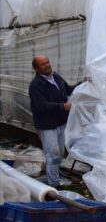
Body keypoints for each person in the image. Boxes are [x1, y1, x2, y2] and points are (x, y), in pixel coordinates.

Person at [28, 55, 76, 188]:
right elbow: (41, 106)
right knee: (52, 154)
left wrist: (83, 83)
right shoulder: (36, 85)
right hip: (47, 125)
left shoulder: (56, 77)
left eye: (47, 62)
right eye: (43, 64)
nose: (47, 65)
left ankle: (54, 176)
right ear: (36, 69)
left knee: (59, 152)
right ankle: (54, 184)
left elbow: (68, 90)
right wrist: (62, 106)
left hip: (60, 122)